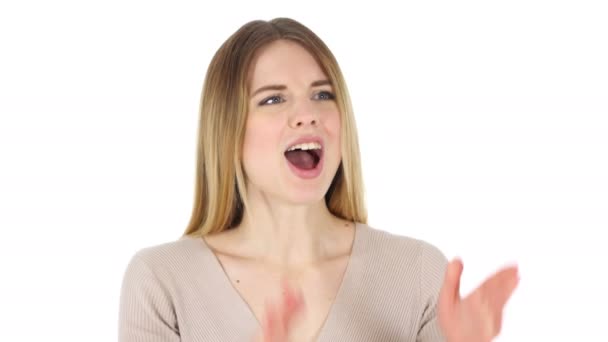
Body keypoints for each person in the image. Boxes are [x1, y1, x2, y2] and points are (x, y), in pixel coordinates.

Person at [118, 17, 519, 342]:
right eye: (273, 99)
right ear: (227, 131)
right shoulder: (161, 281)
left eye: (323, 95)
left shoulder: (416, 273)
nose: (307, 113)